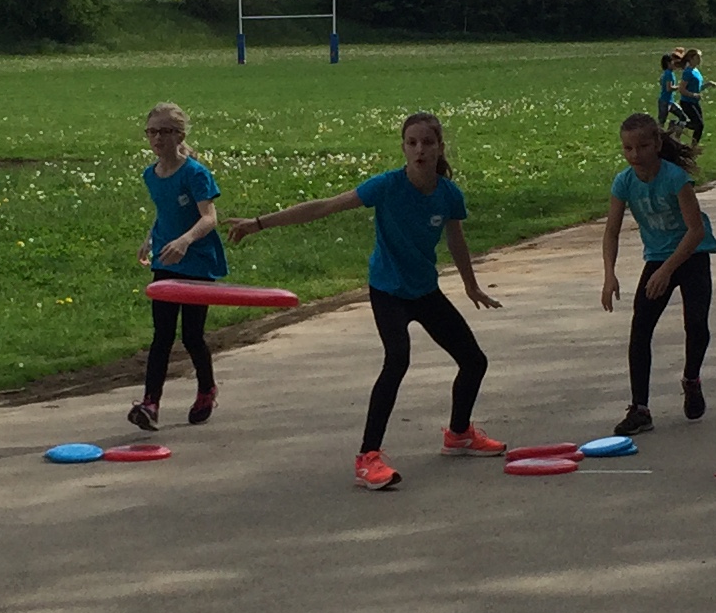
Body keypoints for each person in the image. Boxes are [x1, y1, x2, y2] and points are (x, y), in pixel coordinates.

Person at [229, 111, 504, 489]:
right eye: (412, 143)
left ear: (440, 147)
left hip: (425, 290)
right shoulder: (386, 186)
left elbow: (455, 238)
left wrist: (471, 286)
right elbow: (325, 206)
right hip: (388, 290)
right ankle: (367, 457)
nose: (420, 150)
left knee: (474, 361)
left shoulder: (448, 194)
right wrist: (259, 223)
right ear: (403, 148)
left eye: (427, 143)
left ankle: (458, 435)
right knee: (397, 360)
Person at [599, 113, 716, 436]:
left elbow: (695, 231)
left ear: (657, 145)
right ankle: (640, 408)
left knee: (696, 324)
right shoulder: (624, 182)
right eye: (628, 148)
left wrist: (667, 270)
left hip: (692, 254)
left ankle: (691, 379)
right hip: (658, 257)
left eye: (643, 147)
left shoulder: (675, 179)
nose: (635, 155)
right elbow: (611, 232)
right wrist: (609, 275)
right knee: (640, 329)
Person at [130, 101, 225, 431]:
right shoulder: (151, 174)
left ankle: (206, 390)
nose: (158, 138)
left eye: (166, 131)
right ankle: (150, 404)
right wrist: (150, 238)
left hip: (197, 262)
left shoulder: (195, 173)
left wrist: (185, 241)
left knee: (192, 335)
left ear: (180, 136)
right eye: (152, 132)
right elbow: (165, 211)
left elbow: (209, 218)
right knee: (162, 335)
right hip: (166, 259)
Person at [676, 49, 708, 146]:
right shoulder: (688, 72)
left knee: (699, 125)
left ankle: (693, 146)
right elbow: (681, 89)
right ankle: (693, 146)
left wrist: (708, 84)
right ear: (691, 59)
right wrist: (693, 95)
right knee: (699, 124)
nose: (700, 59)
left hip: (694, 102)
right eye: (697, 57)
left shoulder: (696, 71)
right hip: (687, 102)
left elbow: (697, 88)